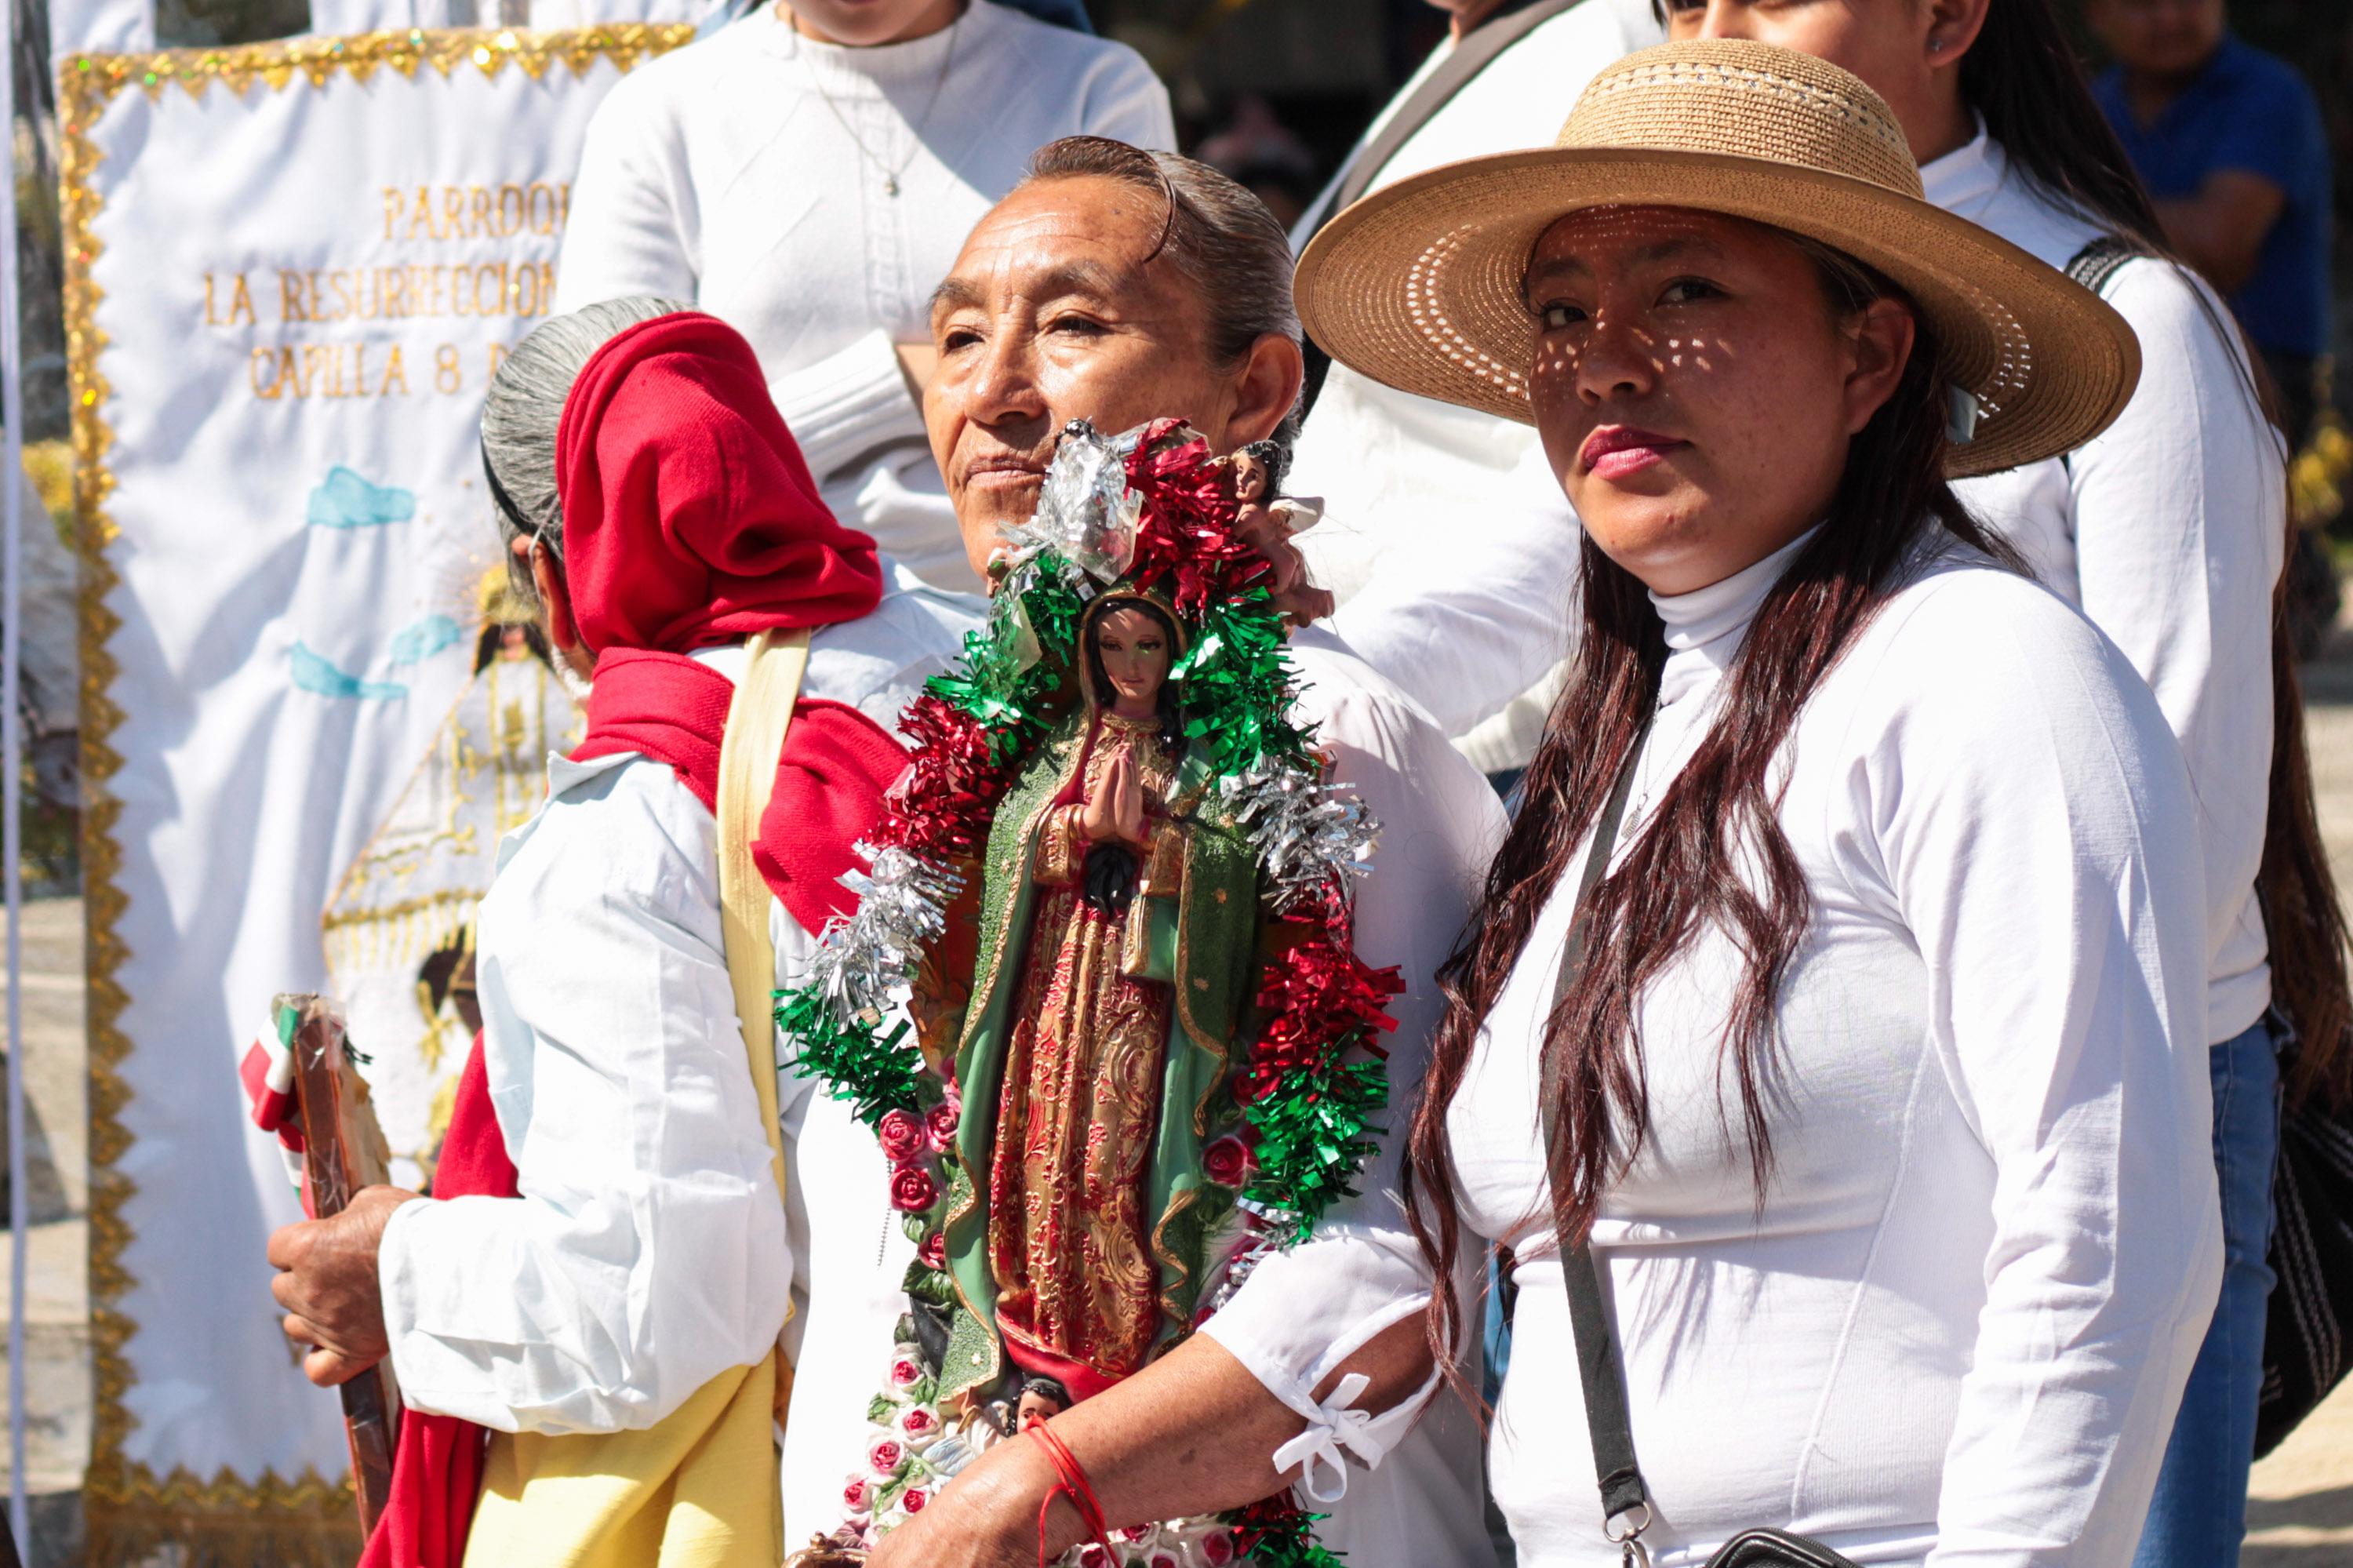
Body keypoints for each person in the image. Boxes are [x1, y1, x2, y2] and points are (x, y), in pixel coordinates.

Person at [864, 45, 2224, 1566]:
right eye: (1565, 314)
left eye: (1689, 294)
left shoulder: (1987, 674)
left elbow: (2113, 1237)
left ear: (1872, 353)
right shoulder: (1618, 751)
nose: (1611, 359)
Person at [1646, 5, 2350, 1559]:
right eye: (1679, 2)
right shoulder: (1671, 319)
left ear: (1951, 17)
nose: (1716, 34)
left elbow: (2185, 819)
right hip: (1808, 1079)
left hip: (2107, 1089)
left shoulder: (2131, 324)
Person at [773, 136, 1510, 1567]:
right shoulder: (960, 764)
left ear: (1257, 387)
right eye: (960, 335)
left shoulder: (1322, 742)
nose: (989, 393)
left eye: (1071, 323)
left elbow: (1379, 1274)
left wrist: (1016, 1493)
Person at [261, 300, 980, 1566]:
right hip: (1108, 1449)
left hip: (873, 1497)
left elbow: (664, 1299)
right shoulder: (992, 660)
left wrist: (399, 1272)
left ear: (549, 572)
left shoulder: (631, 828)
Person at [555, 0, 1173, 588]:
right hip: (762, 625)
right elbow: (615, 443)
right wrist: (899, 376)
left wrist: (751, 436)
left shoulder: (1095, 89)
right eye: (960, 341)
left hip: (1055, 620)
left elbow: (1148, 392)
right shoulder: (659, 116)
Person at [1285, 0, 1662, 777]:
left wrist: (1316, 696)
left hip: (1474, 724)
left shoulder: (1608, 41)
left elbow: (1591, 475)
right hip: (1357, 692)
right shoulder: (1480, 43)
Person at [2086, 0, 2333, 440]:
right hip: (2117, 367)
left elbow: (2216, 248)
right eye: (2141, 6)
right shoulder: (2093, 104)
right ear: (2096, 14)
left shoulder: (2270, 93)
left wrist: (2076, 202)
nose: (2168, 18)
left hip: (2257, 375)